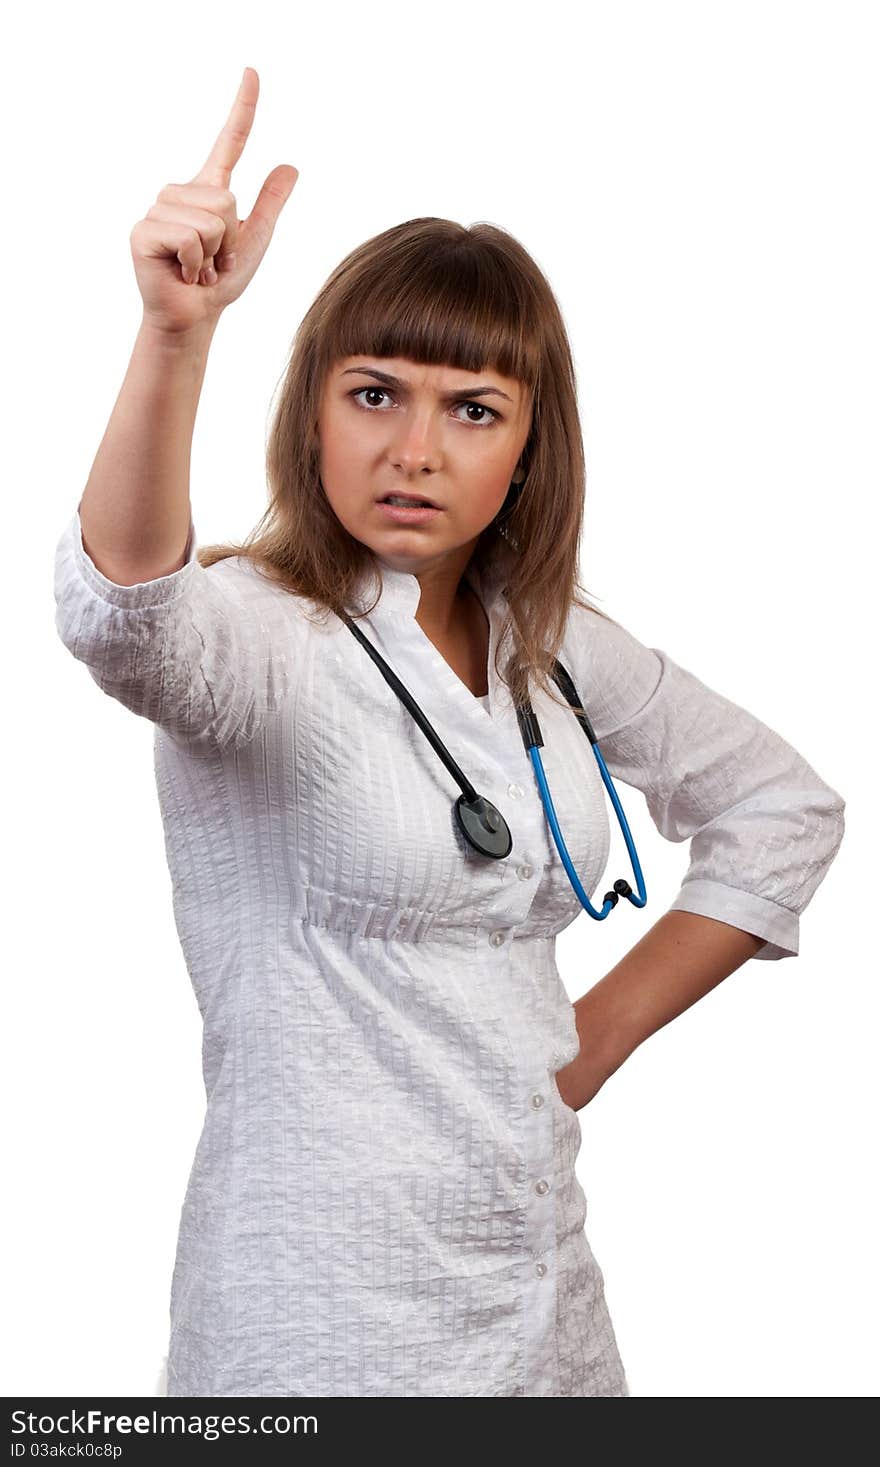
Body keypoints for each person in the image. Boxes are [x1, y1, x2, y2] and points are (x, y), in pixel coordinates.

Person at [53, 66, 845, 1399]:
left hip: (542, 1297)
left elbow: (784, 811)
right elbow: (122, 615)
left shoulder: (553, 645)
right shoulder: (257, 635)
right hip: (322, 1323)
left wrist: (584, 1048)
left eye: (472, 409)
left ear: (527, 449)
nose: (416, 448)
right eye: (376, 394)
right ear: (313, 411)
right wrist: (175, 337)